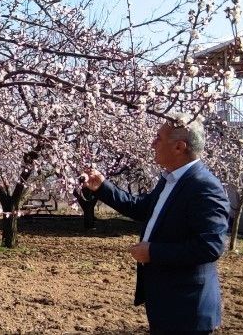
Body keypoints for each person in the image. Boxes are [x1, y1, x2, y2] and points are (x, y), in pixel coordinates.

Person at [81, 113, 230, 334]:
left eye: (159, 138)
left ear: (179, 147)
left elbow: (211, 246)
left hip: (187, 308)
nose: (152, 144)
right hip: (166, 301)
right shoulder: (171, 180)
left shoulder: (204, 187)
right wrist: (103, 187)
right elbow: (142, 208)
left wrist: (153, 252)